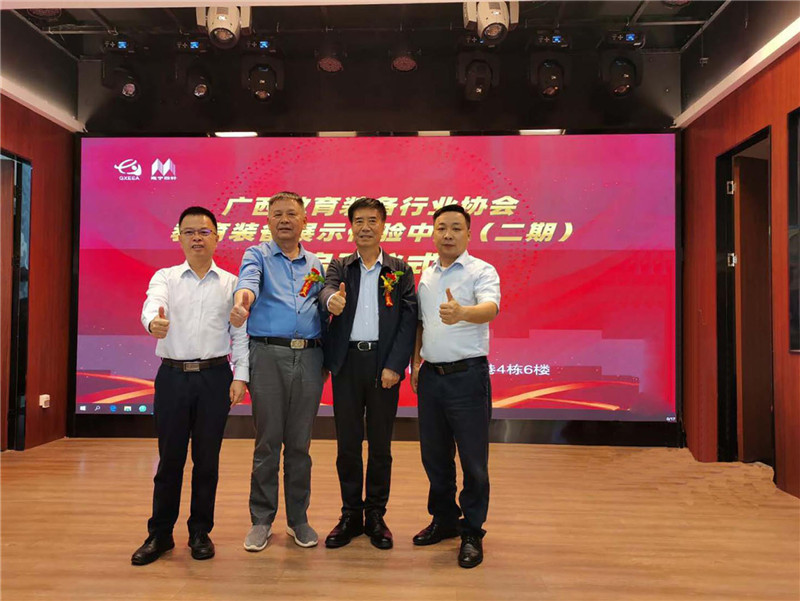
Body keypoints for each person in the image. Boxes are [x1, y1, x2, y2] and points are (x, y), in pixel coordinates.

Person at [132, 206, 248, 566]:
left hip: (215, 377)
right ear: (179, 237)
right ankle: (160, 534)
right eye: (190, 232)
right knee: (170, 460)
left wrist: (241, 376)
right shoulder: (165, 278)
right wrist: (153, 323)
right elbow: (152, 305)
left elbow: (239, 333)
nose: (197, 238)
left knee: (207, 460)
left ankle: (200, 532)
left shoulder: (231, 283)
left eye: (204, 231)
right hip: (173, 377)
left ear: (217, 237)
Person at [319, 197, 417, 550]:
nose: (365, 227)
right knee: (347, 444)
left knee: (380, 445)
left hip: (383, 365)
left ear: (383, 225)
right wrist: (331, 300)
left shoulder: (399, 269)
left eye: (372, 220)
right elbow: (326, 289)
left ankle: (375, 514)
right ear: (351, 227)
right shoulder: (340, 266)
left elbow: (408, 321)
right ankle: (350, 514)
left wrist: (395, 365)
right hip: (347, 364)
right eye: (358, 221)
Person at [229, 191, 326, 551]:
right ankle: (261, 520)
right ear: (268, 220)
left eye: (291, 214)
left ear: (304, 221)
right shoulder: (256, 255)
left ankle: (298, 519)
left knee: (300, 444)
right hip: (268, 355)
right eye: (277, 214)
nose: (284, 220)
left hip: (310, 357)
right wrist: (243, 302)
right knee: (268, 442)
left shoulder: (315, 263)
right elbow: (248, 283)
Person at [410, 204, 500, 569]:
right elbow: (421, 323)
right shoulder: (426, 274)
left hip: (468, 377)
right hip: (431, 377)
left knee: (473, 461)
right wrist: (416, 363)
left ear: (468, 233)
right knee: (434, 457)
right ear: (433, 233)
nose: (448, 234)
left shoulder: (482, 270)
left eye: (456, 228)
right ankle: (444, 519)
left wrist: (463, 312)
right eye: (442, 228)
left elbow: (491, 308)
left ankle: (472, 531)